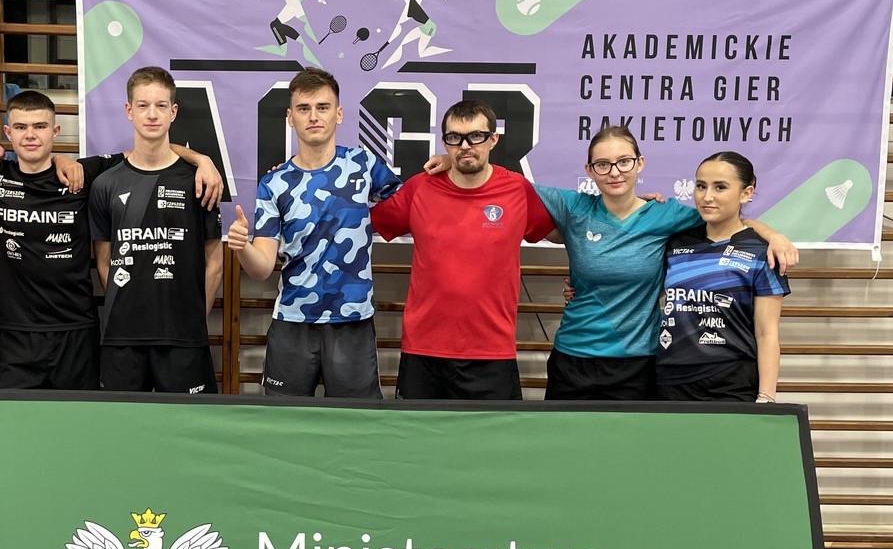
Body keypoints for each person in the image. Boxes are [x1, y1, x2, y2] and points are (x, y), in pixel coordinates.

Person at [0, 88, 221, 390]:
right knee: (16, 418)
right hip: (18, 335)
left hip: (77, 331)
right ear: (8, 133)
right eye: (21, 127)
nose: (30, 135)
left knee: (79, 419)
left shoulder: (82, 175)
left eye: (40, 126)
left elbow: (150, 148)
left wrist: (202, 160)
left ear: (55, 131)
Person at [535, 125, 796, 401]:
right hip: (582, 359)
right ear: (589, 170)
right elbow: (516, 190)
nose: (614, 172)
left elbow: (731, 220)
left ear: (640, 163)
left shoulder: (669, 216)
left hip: (647, 365)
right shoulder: (576, 208)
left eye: (624, 161)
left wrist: (773, 235)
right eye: (602, 164)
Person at [226, 67, 400, 398]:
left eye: (322, 107)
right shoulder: (275, 183)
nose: (314, 116)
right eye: (304, 108)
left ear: (339, 114)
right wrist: (241, 247)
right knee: (284, 421)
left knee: (357, 422)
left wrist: (445, 164)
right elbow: (261, 268)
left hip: (352, 320)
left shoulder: (363, 165)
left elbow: (414, 203)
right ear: (290, 117)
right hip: (293, 322)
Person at [369, 100, 555, 399]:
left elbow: (562, 231)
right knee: (415, 431)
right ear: (445, 142)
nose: (465, 145)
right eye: (455, 137)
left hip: (492, 352)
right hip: (423, 351)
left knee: (495, 433)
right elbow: (361, 224)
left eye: (476, 136)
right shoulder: (420, 188)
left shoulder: (517, 190)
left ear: (493, 139)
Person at [89, 67, 224, 393]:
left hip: (183, 338)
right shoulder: (105, 184)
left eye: (161, 106)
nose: (152, 114)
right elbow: (105, 262)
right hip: (122, 339)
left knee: (188, 426)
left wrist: (194, 319)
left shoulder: (199, 181)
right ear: (129, 110)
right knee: (122, 425)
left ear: (173, 112)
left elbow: (214, 261)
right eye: (143, 105)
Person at [656, 152, 789, 402]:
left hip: (732, 381)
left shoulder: (761, 252)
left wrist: (766, 395)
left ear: (746, 193)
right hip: (670, 378)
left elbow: (767, 333)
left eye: (720, 187)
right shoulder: (675, 243)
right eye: (701, 186)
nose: (707, 197)